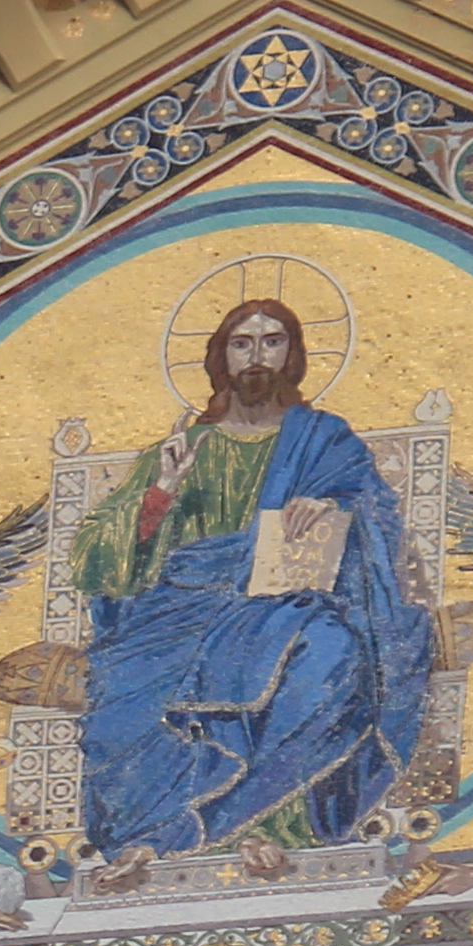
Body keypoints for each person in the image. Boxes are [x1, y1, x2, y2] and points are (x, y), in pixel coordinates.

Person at [67, 297, 430, 863]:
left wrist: (333, 506)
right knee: (125, 694)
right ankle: (157, 835)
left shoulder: (325, 439)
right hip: (181, 607)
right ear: (222, 359)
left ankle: (274, 826)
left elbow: (376, 517)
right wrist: (161, 492)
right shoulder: (187, 445)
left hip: (284, 602)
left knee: (331, 652)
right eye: (243, 343)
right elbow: (96, 558)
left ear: (293, 355)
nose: (257, 355)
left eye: (272, 341)